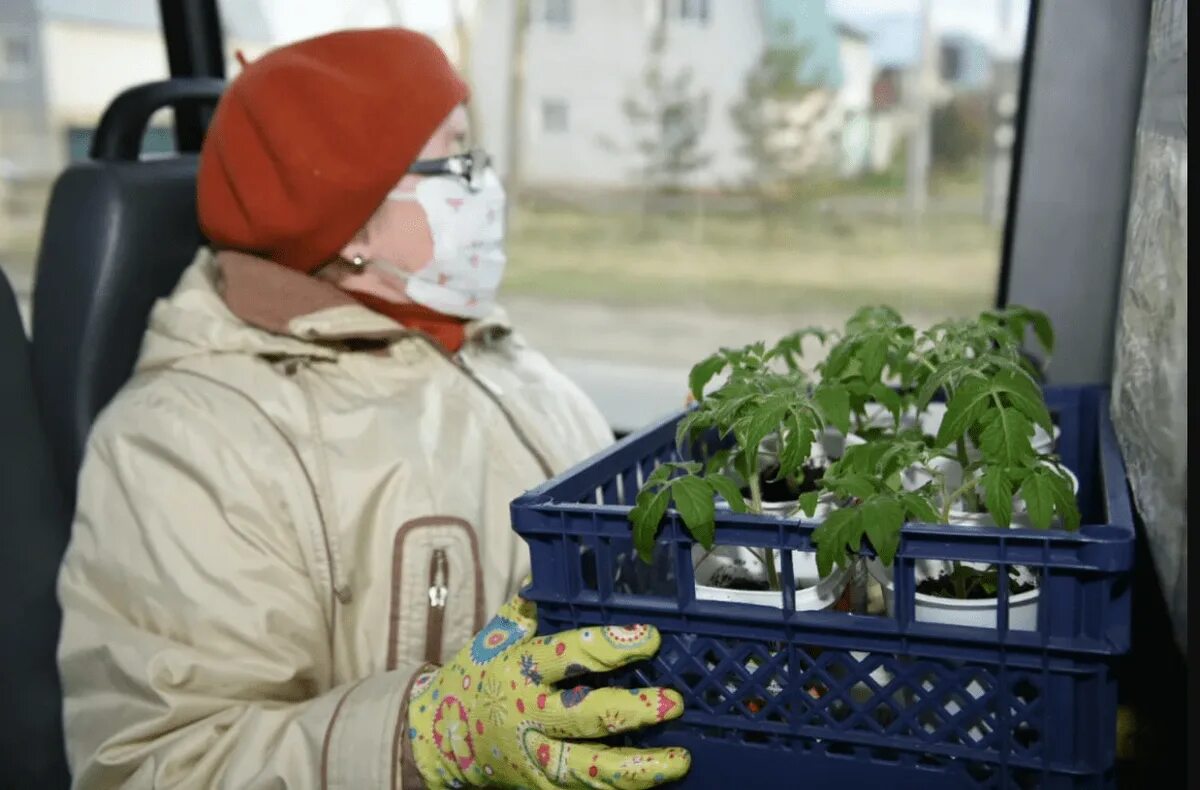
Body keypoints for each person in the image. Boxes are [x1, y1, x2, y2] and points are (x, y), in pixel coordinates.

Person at [56, 28, 690, 789]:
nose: (484, 185)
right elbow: (157, 764)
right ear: (351, 216)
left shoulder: (490, 353)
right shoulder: (186, 442)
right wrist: (421, 741)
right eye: (455, 162)